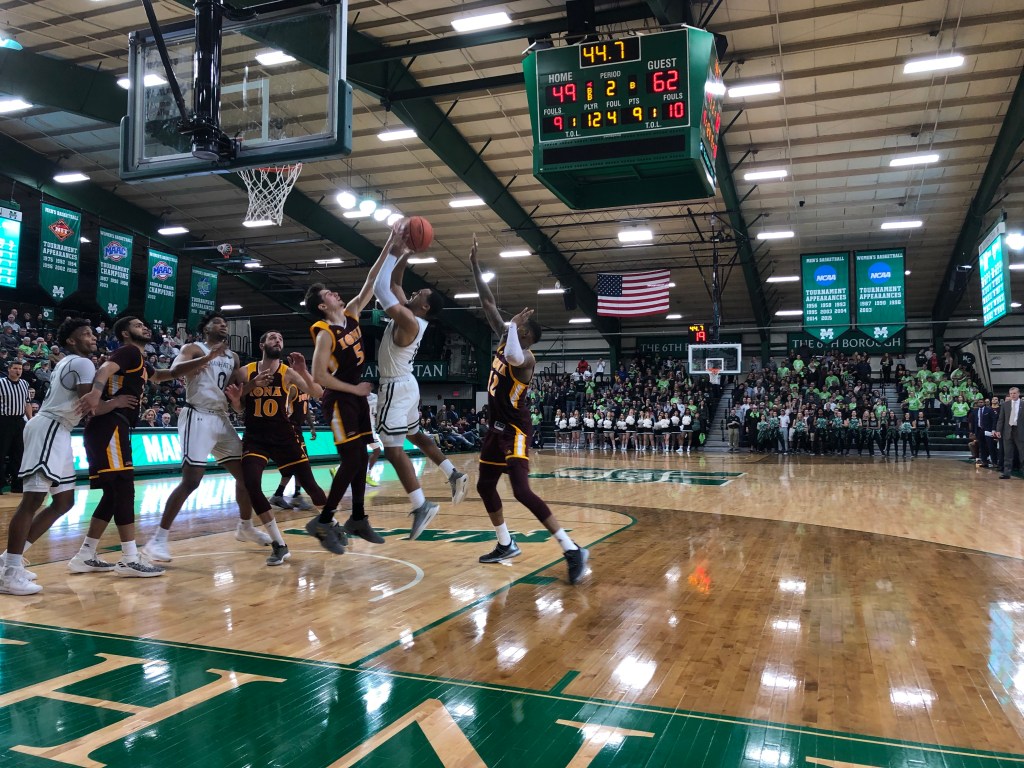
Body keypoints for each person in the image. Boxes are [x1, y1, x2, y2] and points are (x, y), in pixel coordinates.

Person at [469, 237, 588, 583]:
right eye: (514, 328)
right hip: (495, 429)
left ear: (526, 336)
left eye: (519, 330)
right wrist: (475, 265)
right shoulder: (506, 338)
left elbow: (513, 354)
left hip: (516, 431)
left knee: (521, 491)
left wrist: (510, 327)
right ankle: (505, 543)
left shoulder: (526, 358)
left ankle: (571, 549)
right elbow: (487, 302)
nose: (514, 329)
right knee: (485, 486)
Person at [70, 317, 203, 578]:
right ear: (125, 333)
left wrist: (200, 362)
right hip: (109, 425)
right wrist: (97, 394)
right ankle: (129, 558)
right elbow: (104, 369)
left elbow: (164, 375)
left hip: (113, 427)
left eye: (144, 325)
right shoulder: (129, 351)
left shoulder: (140, 360)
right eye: (138, 325)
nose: (145, 327)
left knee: (113, 495)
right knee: (124, 489)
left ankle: (85, 554)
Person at [0, 320, 120, 593]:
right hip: (50, 428)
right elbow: (91, 405)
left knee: (64, 501)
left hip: (59, 430)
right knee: (32, 500)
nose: (93, 337)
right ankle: (10, 573)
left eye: (92, 333)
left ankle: (7, 560)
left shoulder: (72, 362)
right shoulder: (82, 362)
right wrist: (116, 402)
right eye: (86, 334)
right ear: (71, 341)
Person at [142, 312, 272, 563]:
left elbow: (234, 394)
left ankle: (245, 526)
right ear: (206, 329)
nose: (223, 325)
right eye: (218, 322)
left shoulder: (233, 357)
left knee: (247, 476)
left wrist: (253, 384)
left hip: (221, 417)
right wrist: (207, 357)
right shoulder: (193, 348)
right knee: (191, 481)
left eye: (225, 323)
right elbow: (174, 371)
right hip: (197, 415)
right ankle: (157, 540)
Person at [371, 224, 469, 540]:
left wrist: (392, 250)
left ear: (424, 306)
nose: (414, 293)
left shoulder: (409, 319)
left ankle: (421, 504)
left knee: (392, 449)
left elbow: (381, 288)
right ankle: (453, 473)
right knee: (416, 435)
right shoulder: (413, 315)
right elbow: (396, 283)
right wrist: (406, 252)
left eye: (420, 295)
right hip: (408, 384)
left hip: (394, 386)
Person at [302, 230, 396, 554]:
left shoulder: (352, 314)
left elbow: (372, 280)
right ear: (322, 305)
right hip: (339, 400)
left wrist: (390, 244)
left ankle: (357, 518)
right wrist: (355, 388)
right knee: (354, 458)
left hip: (355, 399)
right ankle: (324, 521)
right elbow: (319, 377)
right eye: (328, 293)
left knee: (360, 458)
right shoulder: (325, 333)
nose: (335, 293)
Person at [226, 331, 329, 565]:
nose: (278, 341)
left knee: (311, 485)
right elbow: (238, 407)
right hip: (256, 438)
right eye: (273, 338)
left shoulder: (288, 372)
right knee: (252, 485)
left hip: (284, 436)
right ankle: (279, 544)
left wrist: (303, 370)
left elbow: (318, 393)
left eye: (281, 338)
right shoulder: (245, 372)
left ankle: (330, 522)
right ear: (262, 344)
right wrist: (237, 400)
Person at [0, 359, 32, 493]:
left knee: (19, 454)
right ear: (9, 369)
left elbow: (27, 403)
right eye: (15, 368)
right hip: (4, 421)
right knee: (1, 453)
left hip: (19, 421)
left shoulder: (25, 383)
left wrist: (31, 420)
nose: (18, 371)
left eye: (20, 369)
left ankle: (17, 485)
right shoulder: (1, 383)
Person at [994, 387, 1023, 479]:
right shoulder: (1005, 405)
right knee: (1007, 453)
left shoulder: (1023, 404)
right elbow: (1001, 419)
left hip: (1020, 431)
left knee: (1022, 453)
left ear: (1018, 394)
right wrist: (998, 430)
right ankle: (1007, 473)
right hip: (1008, 431)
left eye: (1014, 393)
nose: (1012, 395)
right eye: (1011, 393)